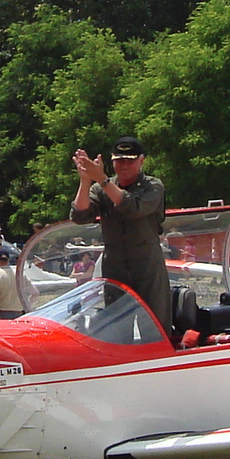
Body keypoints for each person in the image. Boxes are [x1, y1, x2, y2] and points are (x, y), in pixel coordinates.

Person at [70, 136, 171, 332]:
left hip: (147, 269)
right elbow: (80, 215)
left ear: (141, 160)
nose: (124, 165)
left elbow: (133, 208)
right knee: (117, 332)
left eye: (130, 160)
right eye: (119, 160)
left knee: (154, 330)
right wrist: (85, 180)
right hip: (115, 270)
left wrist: (102, 178)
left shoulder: (153, 186)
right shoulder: (101, 187)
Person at [0, 250, 25, 319]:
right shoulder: (19, 275)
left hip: (3, 314)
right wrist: (25, 307)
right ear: (7, 261)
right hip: (19, 313)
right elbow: (35, 292)